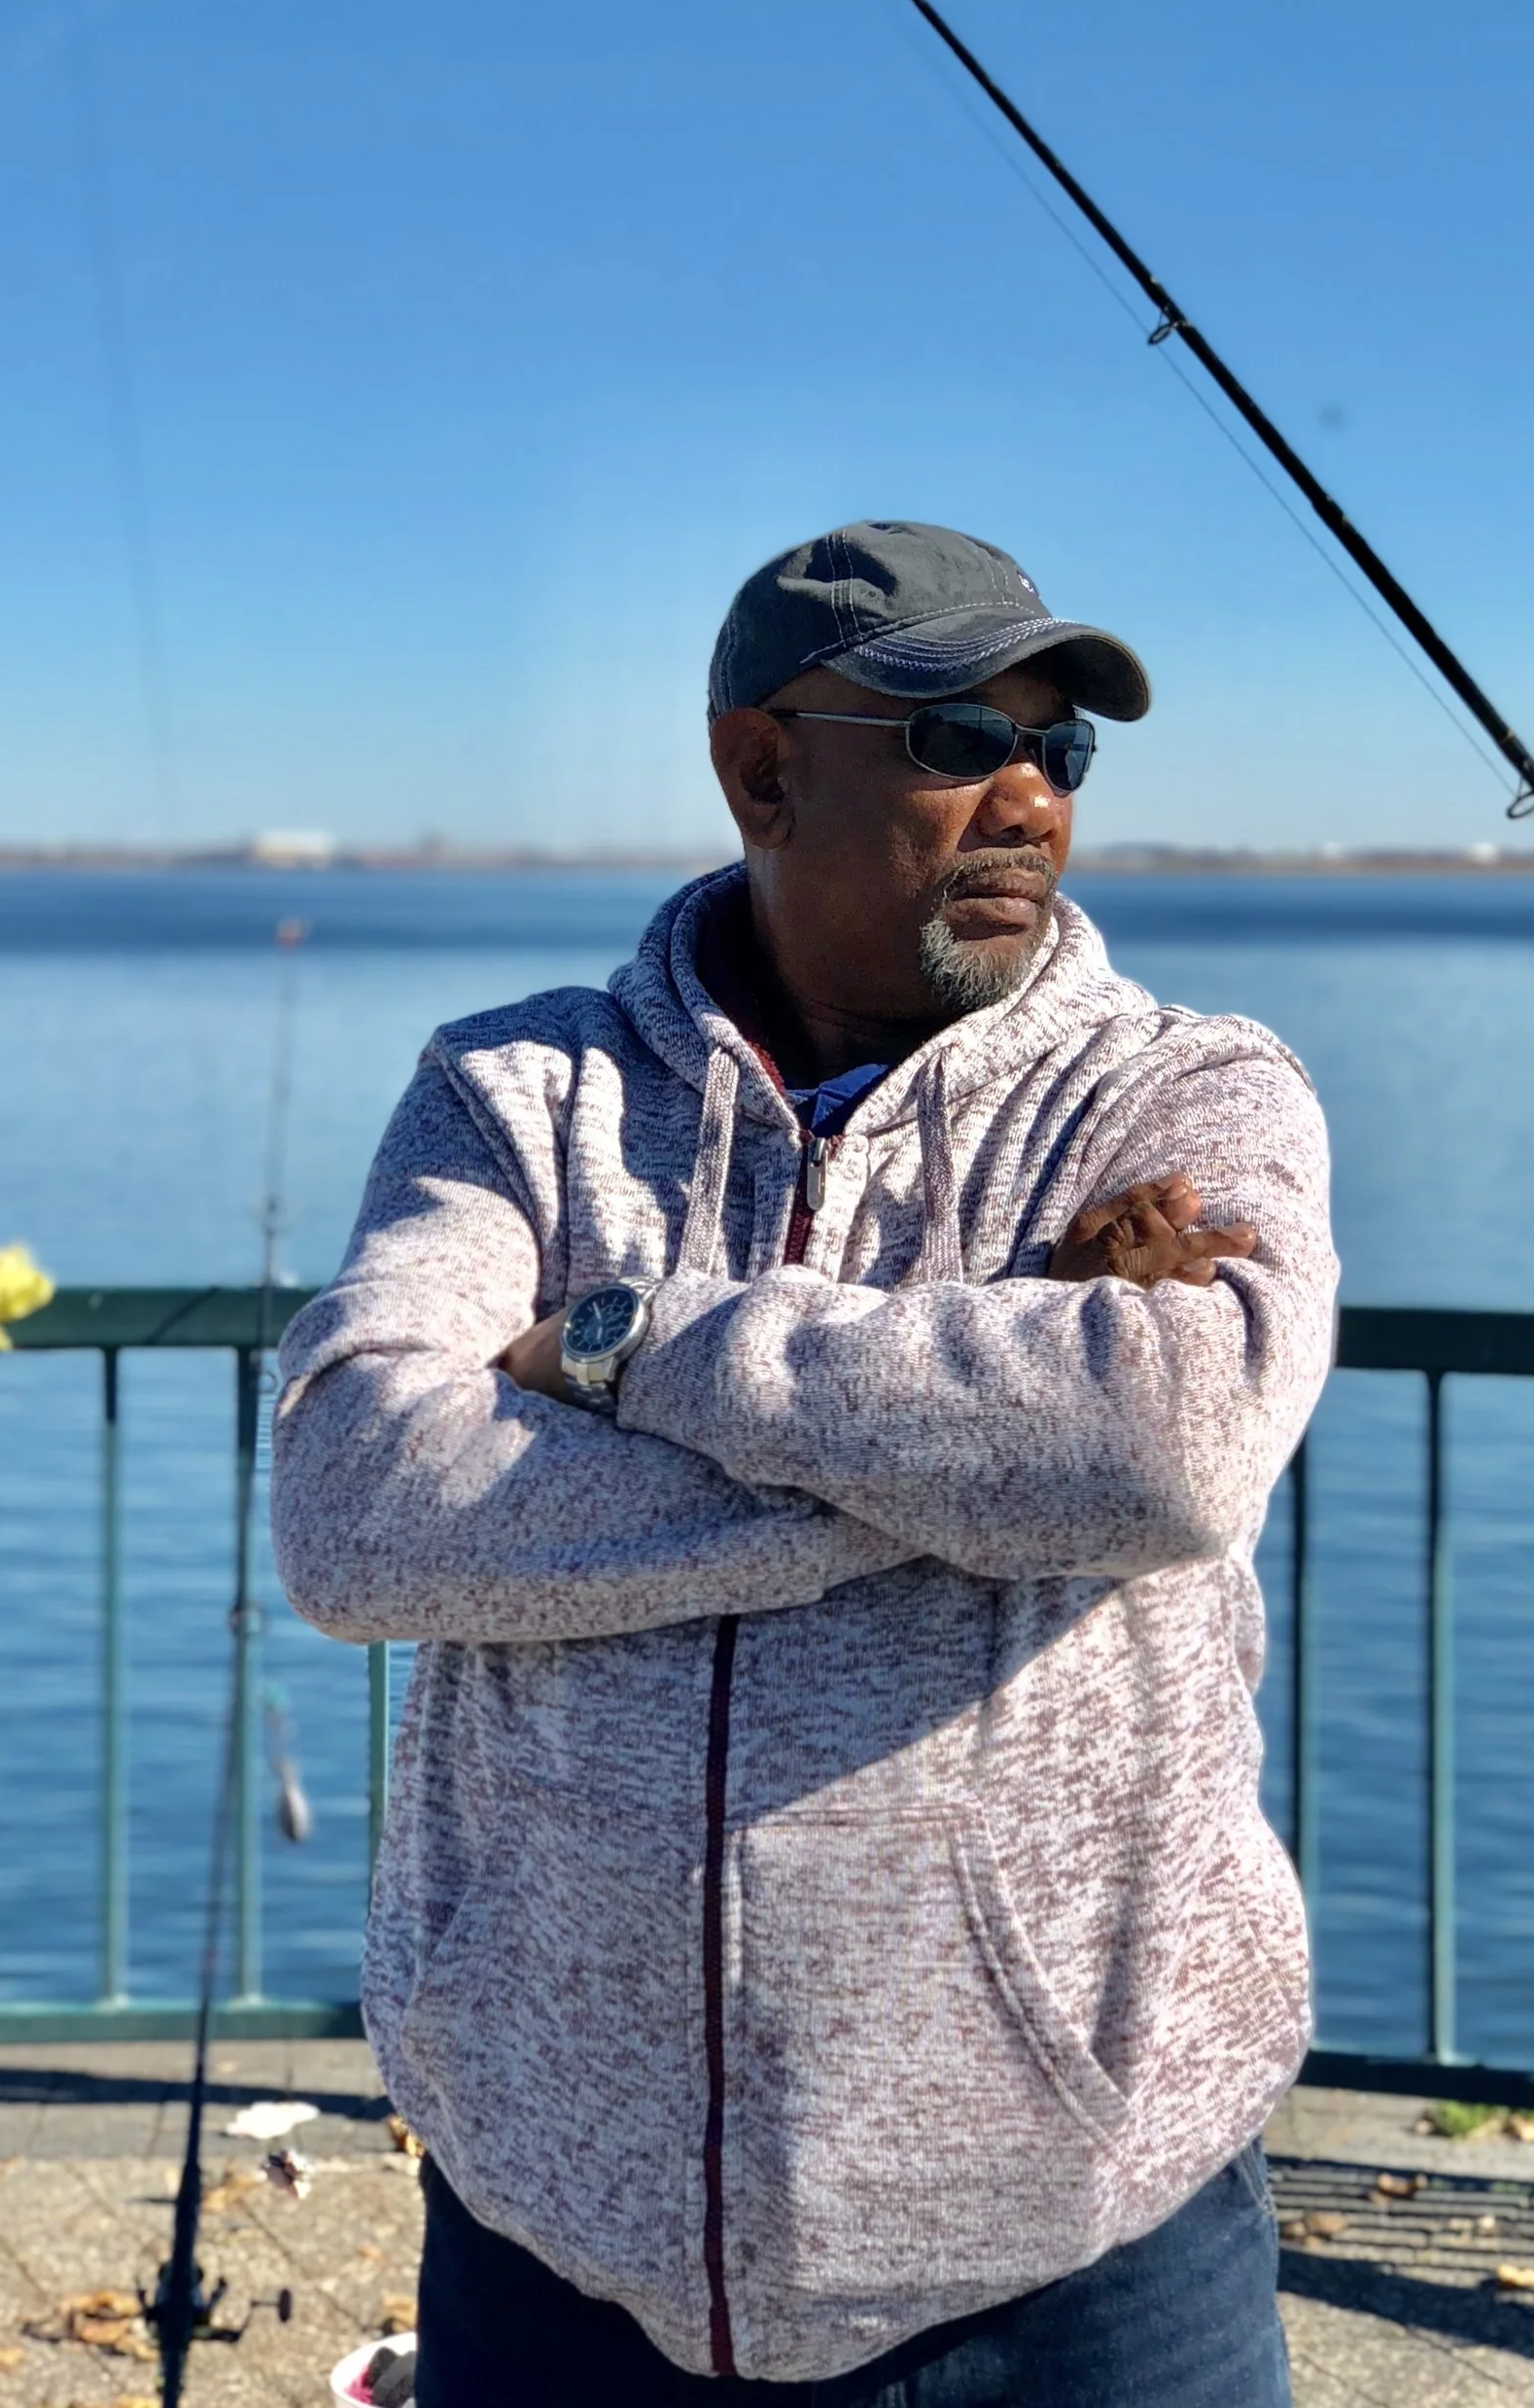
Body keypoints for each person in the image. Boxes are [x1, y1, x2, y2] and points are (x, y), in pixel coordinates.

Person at [270, 521, 1340, 2405]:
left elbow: (1164, 1448)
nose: (1024, 794)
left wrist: (625, 1344)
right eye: (953, 736)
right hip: (557, 2245)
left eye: (1058, 747)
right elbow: (357, 1502)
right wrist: (978, 1434)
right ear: (762, 765)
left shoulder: (1180, 1093)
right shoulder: (516, 1097)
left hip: (1077, 2266)